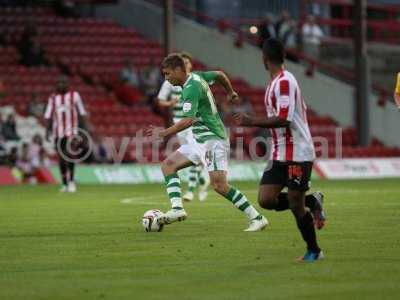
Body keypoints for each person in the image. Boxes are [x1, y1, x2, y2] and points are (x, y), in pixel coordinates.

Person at [147, 53, 268, 231]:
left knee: (219, 185)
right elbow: (219, 74)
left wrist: (164, 133)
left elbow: (187, 120)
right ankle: (177, 209)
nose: (166, 78)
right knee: (168, 165)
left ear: (179, 70)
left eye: (167, 74)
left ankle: (256, 217)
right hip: (199, 140)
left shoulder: (191, 87)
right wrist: (230, 92)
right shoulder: (197, 77)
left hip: (212, 139)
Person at [233, 38, 326, 261]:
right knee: (266, 200)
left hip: (298, 153)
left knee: (295, 204)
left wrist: (251, 121)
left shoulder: (285, 82)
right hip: (279, 153)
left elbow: (284, 119)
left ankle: (314, 251)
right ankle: (313, 201)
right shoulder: (275, 82)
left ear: (264, 58)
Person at [157, 52, 210, 202]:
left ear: (190, 65)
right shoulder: (169, 82)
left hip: (193, 124)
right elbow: (160, 100)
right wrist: (170, 103)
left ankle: (190, 191)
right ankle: (201, 181)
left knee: (193, 154)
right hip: (179, 124)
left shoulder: (195, 81)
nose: (185, 66)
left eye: (187, 63)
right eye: (183, 63)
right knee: (191, 157)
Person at [44, 75, 88, 193]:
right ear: (56, 85)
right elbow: (48, 116)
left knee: (70, 154)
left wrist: (83, 131)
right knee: (62, 158)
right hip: (58, 132)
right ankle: (64, 184)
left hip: (71, 131)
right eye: (59, 83)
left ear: (68, 84)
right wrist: (47, 131)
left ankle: (72, 182)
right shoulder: (53, 98)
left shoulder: (75, 95)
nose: (61, 85)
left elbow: (82, 113)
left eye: (63, 82)